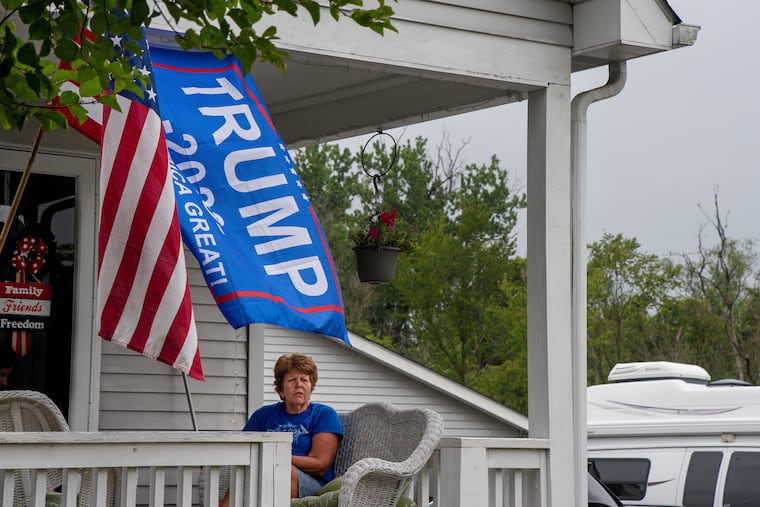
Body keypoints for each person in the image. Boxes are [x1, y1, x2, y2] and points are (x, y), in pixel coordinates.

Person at [221, 352, 343, 505]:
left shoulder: (324, 414)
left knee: (280, 470)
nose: (299, 384)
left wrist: (275, 458)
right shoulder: (264, 415)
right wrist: (266, 461)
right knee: (243, 474)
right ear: (280, 389)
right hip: (263, 473)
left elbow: (319, 465)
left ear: (311, 387)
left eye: (304, 380)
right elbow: (242, 450)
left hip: (310, 483)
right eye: (292, 380)